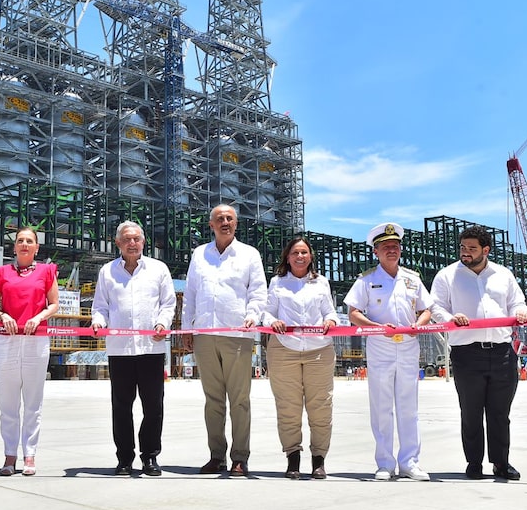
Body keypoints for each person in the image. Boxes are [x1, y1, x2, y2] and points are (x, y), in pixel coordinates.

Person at [430, 225, 527, 481]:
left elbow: (517, 301)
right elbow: (436, 307)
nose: (465, 253)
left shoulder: (503, 274)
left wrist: (521, 311)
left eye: (472, 249)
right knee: (471, 412)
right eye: (463, 247)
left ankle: (501, 463)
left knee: (499, 413)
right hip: (466, 353)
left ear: (485, 250)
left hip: (502, 353)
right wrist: (451, 317)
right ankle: (474, 463)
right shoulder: (447, 276)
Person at [181, 204, 267, 477]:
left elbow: (258, 292)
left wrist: (253, 316)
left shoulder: (249, 255)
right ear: (211, 225)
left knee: (240, 399)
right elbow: (191, 294)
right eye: (220, 219)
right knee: (212, 400)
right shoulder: (200, 254)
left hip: (237, 335)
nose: (225, 222)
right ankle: (216, 456)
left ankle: (240, 458)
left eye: (230, 218)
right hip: (205, 335)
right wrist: (187, 329)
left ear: (236, 224)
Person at [344, 222, 433, 481]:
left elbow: (427, 309)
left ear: (400, 250)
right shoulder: (367, 280)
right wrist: (375, 327)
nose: (391, 251)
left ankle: (409, 462)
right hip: (380, 347)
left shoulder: (412, 279)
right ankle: (385, 463)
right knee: (382, 407)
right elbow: (353, 314)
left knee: (409, 407)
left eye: (395, 246)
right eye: (385, 247)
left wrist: (419, 325)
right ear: (376, 251)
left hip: (408, 347)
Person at [91, 221, 176, 477]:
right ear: (118, 243)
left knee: (153, 407)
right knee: (121, 407)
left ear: (143, 242)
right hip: (120, 351)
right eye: (127, 239)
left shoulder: (158, 269)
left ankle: (150, 457)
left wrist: (162, 323)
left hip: (152, 348)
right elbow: (100, 306)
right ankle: (124, 459)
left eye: (136, 239)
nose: (132, 243)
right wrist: (98, 322)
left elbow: (168, 304)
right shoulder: (107, 272)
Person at [262, 237, 339, 480]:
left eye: (304, 252)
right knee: (288, 407)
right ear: (287, 256)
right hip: (285, 349)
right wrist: (271, 321)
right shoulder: (277, 282)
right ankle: (292, 457)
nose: (300, 257)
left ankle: (319, 460)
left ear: (310, 256)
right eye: (295, 252)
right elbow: (267, 311)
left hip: (319, 351)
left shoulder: (320, 282)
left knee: (321, 407)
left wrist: (331, 321)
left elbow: (329, 311)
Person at [0, 227, 59, 476]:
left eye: (29, 241)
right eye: (20, 241)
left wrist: (38, 318)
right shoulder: (2, 273)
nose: (25, 245)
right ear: (14, 247)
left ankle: (30, 454)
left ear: (37, 247)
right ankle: (9, 455)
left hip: (35, 340)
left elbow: (54, 304)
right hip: (7, 340)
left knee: (32, 402)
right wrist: (3, 315)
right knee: (7, 402)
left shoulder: (46, 272)